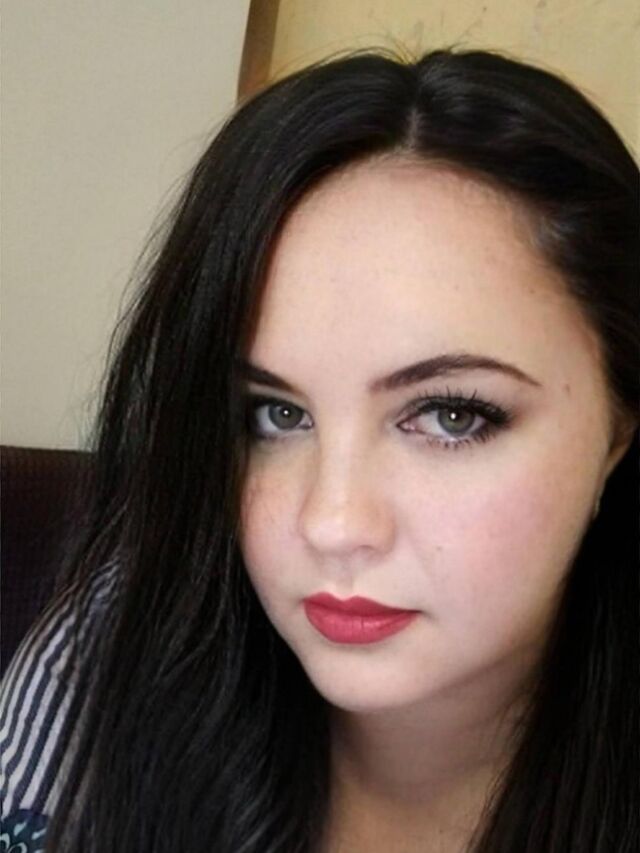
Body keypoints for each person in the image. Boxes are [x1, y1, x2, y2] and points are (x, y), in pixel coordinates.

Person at [1, 47, 637, 853]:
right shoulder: (109, 654)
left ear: (619, 424)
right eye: (274, 415)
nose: (333, 523)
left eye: (449, 416)